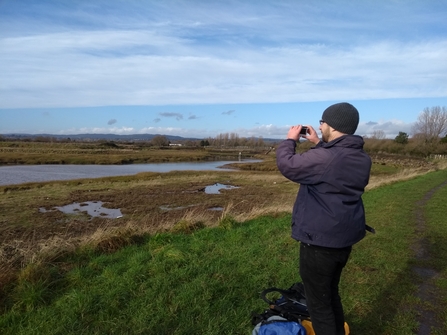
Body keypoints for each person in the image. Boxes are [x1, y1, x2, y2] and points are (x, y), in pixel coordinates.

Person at [276, 102, 372, 335]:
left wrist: (290, 140)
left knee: (318, 304)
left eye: (322, 122)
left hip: (320, 242)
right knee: (330, 294)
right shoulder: (360, 156)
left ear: (332, 125)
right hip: (343, 238)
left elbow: (288, 165)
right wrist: (318, 143)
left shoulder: (327, 158)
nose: (320, 125)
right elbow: (332, 166)